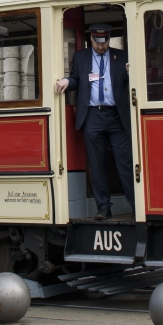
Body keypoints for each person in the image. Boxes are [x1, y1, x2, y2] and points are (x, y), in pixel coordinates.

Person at [55, 22, 133, 221]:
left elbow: (131, 81)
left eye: (104, 41)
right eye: (97, 42)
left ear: (108, 38)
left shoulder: (122, 57)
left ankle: (135, 205)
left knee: (125, 161)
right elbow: (76, 79)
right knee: (97, 164)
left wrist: (132, 73)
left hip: (117, 115)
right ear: (91, 39)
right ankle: (103, 208)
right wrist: (66, 81)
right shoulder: (81, 57)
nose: (101, 46)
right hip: (92, 116)